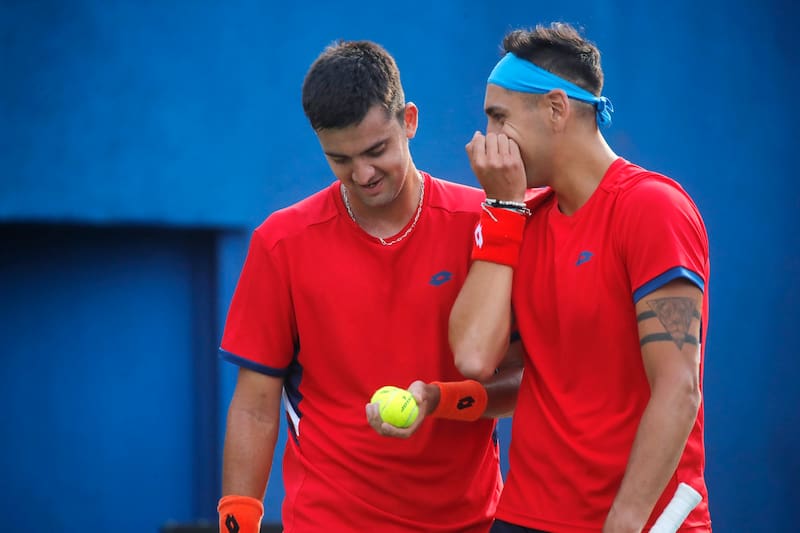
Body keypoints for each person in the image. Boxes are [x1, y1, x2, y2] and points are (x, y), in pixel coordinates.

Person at [216, 40, 522, 533]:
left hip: (468, 522)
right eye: (339, 159)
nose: (362, 174)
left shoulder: (485, 224)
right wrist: (236, 520)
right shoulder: (280, 243)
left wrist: (437, 400)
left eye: (376, 150)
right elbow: (254, 407)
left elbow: (525, 382)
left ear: (410, 121)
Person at [449, 23, 712, 532]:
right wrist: (502, 207)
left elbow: (679, 387)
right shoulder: (519, 217)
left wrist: (627, 518)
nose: (487, 140)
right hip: (527, 516)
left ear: (554, 109)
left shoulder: (653, 209)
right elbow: (475, 358)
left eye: (499, 117)